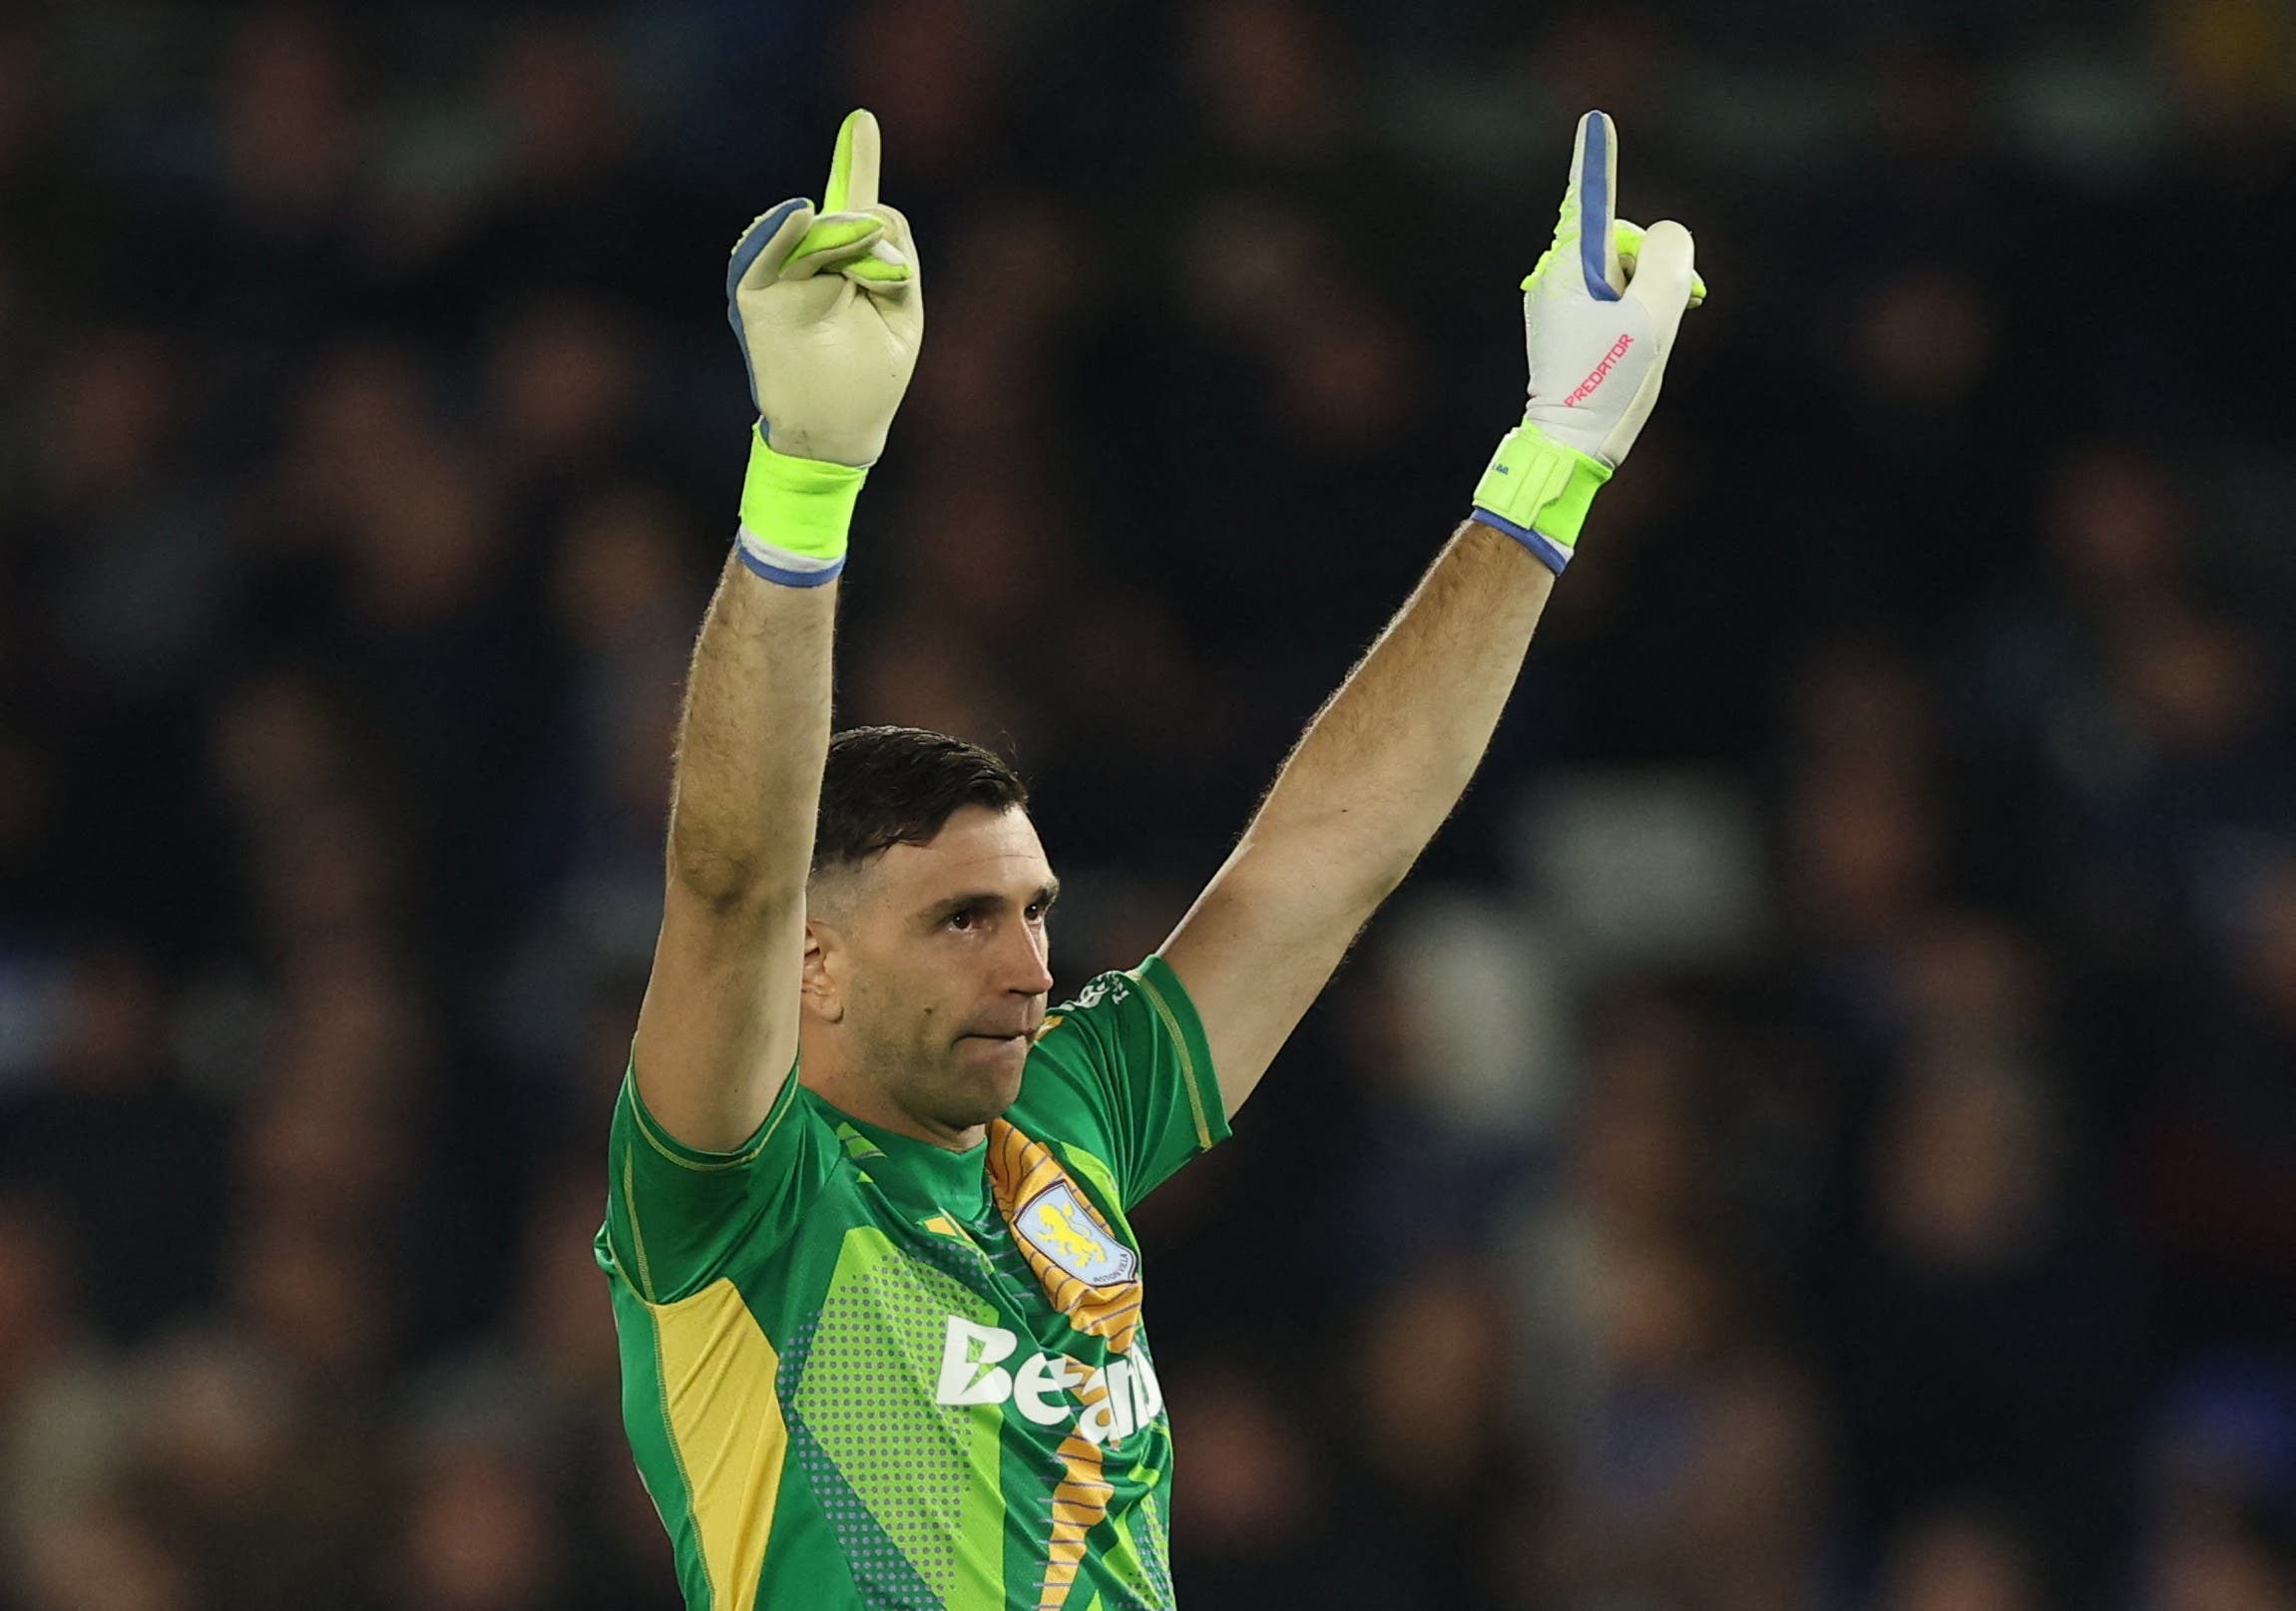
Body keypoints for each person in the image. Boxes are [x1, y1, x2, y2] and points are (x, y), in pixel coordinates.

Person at [595, 106, 1702, 1611]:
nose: (1030, 963)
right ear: (817, 964)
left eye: (1035, 912)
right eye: (963, 921)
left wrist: (1549, 466)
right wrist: (803, 484)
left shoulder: (1068, 1106)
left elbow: (1323, 859)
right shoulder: (739, 1201)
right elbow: (726, 883)